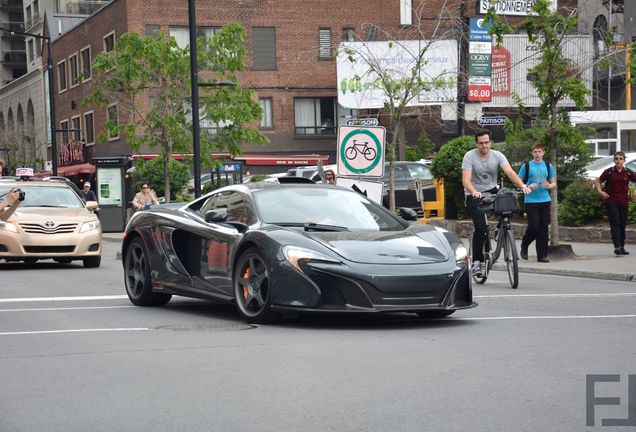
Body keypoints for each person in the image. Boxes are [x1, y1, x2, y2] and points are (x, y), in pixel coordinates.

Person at [462, 129, 531, 275]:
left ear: (490, 142)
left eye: (486, 142)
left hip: (491, 190)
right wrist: (473, 191)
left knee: (508, 202)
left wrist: (523, 186)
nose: (484, 146)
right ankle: (477, 262)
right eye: (481, 143)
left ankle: (501, 228)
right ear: (477, 144)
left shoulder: (497, 155)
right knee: (480, 228)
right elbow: (466, 180)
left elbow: (510, 173)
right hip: (475, 193)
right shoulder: (469, 156)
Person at [517, 143, 556, 263]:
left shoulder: (548, 166)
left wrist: (549, 186)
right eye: (535, 151)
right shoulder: (527, 166)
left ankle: (542, 255)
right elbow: (518, 182)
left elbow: (554, 183)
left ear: (543, 153)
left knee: (543, 228)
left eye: (539, 151)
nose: (537, 153)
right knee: (534, 226)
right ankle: (525, 243)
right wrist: (527, 186)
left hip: (545, 200)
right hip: (531, 200)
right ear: (532, 153)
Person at [594, 151, 636, 255]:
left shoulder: (628, 172)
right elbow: (598, 181)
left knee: (622, 223)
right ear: (614, 160)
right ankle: (617, 246)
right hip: (611, 200)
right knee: (615, 222)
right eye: (616, 158)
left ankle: (622, 247)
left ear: (624, 161)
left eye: (620, 159)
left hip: (623, 201)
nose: (618, 160)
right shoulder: (608, 172)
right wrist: (600, 191)